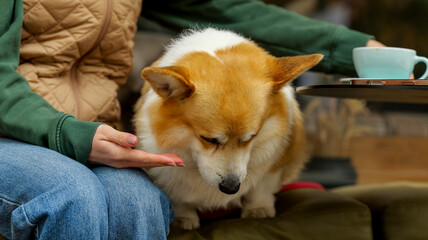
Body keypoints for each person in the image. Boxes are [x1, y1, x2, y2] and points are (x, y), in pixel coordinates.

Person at [0, 0, 385, 239]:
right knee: (74, 195)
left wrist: (355, 49)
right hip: (16, 132)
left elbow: (224, 9)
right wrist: (70, 134)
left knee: (138, 201)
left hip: (101, 136)